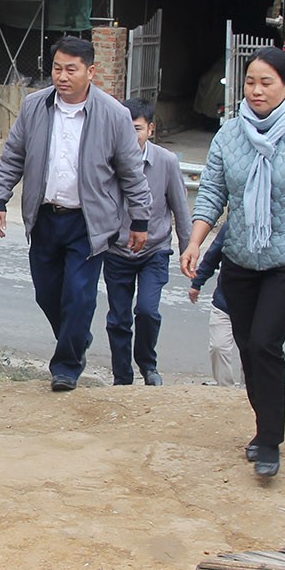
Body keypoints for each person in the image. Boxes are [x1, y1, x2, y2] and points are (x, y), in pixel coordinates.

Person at [179, 48, 285, 478]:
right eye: (250, 81)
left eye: (266, 82)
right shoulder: (230, 134)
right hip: (241, 259)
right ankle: (262, 426)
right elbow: (213, 192)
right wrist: (195, 243)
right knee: (247, 345)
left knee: (266, 342)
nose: (256, 90)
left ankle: (270, 441)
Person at [0, 36, 152, 391]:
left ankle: (66, 366)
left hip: (88, 223)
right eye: (57, 68)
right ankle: (75, 337)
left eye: (71, 69)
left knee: (79, 295)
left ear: (90, 71)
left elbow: (131, 172)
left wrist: (140, 220)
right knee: (47, 294)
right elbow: (14, 154)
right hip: (44, 217)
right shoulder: (35, 106)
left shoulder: (114, 115)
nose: (62, 76)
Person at [101, 99, 192, 386]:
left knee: (147, 310)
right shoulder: (107, 160)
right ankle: (122, 376)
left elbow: (180, 208)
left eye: (137, 129)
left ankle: (148, 365)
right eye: (126, 130)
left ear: (150, 129)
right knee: (118, 318)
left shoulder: (166, 162)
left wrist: (189, 249)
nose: (132, 136)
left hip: (155, 249)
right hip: (117, 250)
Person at [187, 219, 242, 388]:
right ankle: (225, 387)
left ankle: (253, 387)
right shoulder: (230, 227)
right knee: (219, 347)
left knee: (256, 348)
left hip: (258, 304)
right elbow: (212, 256)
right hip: (224, 301)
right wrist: (197, 283)